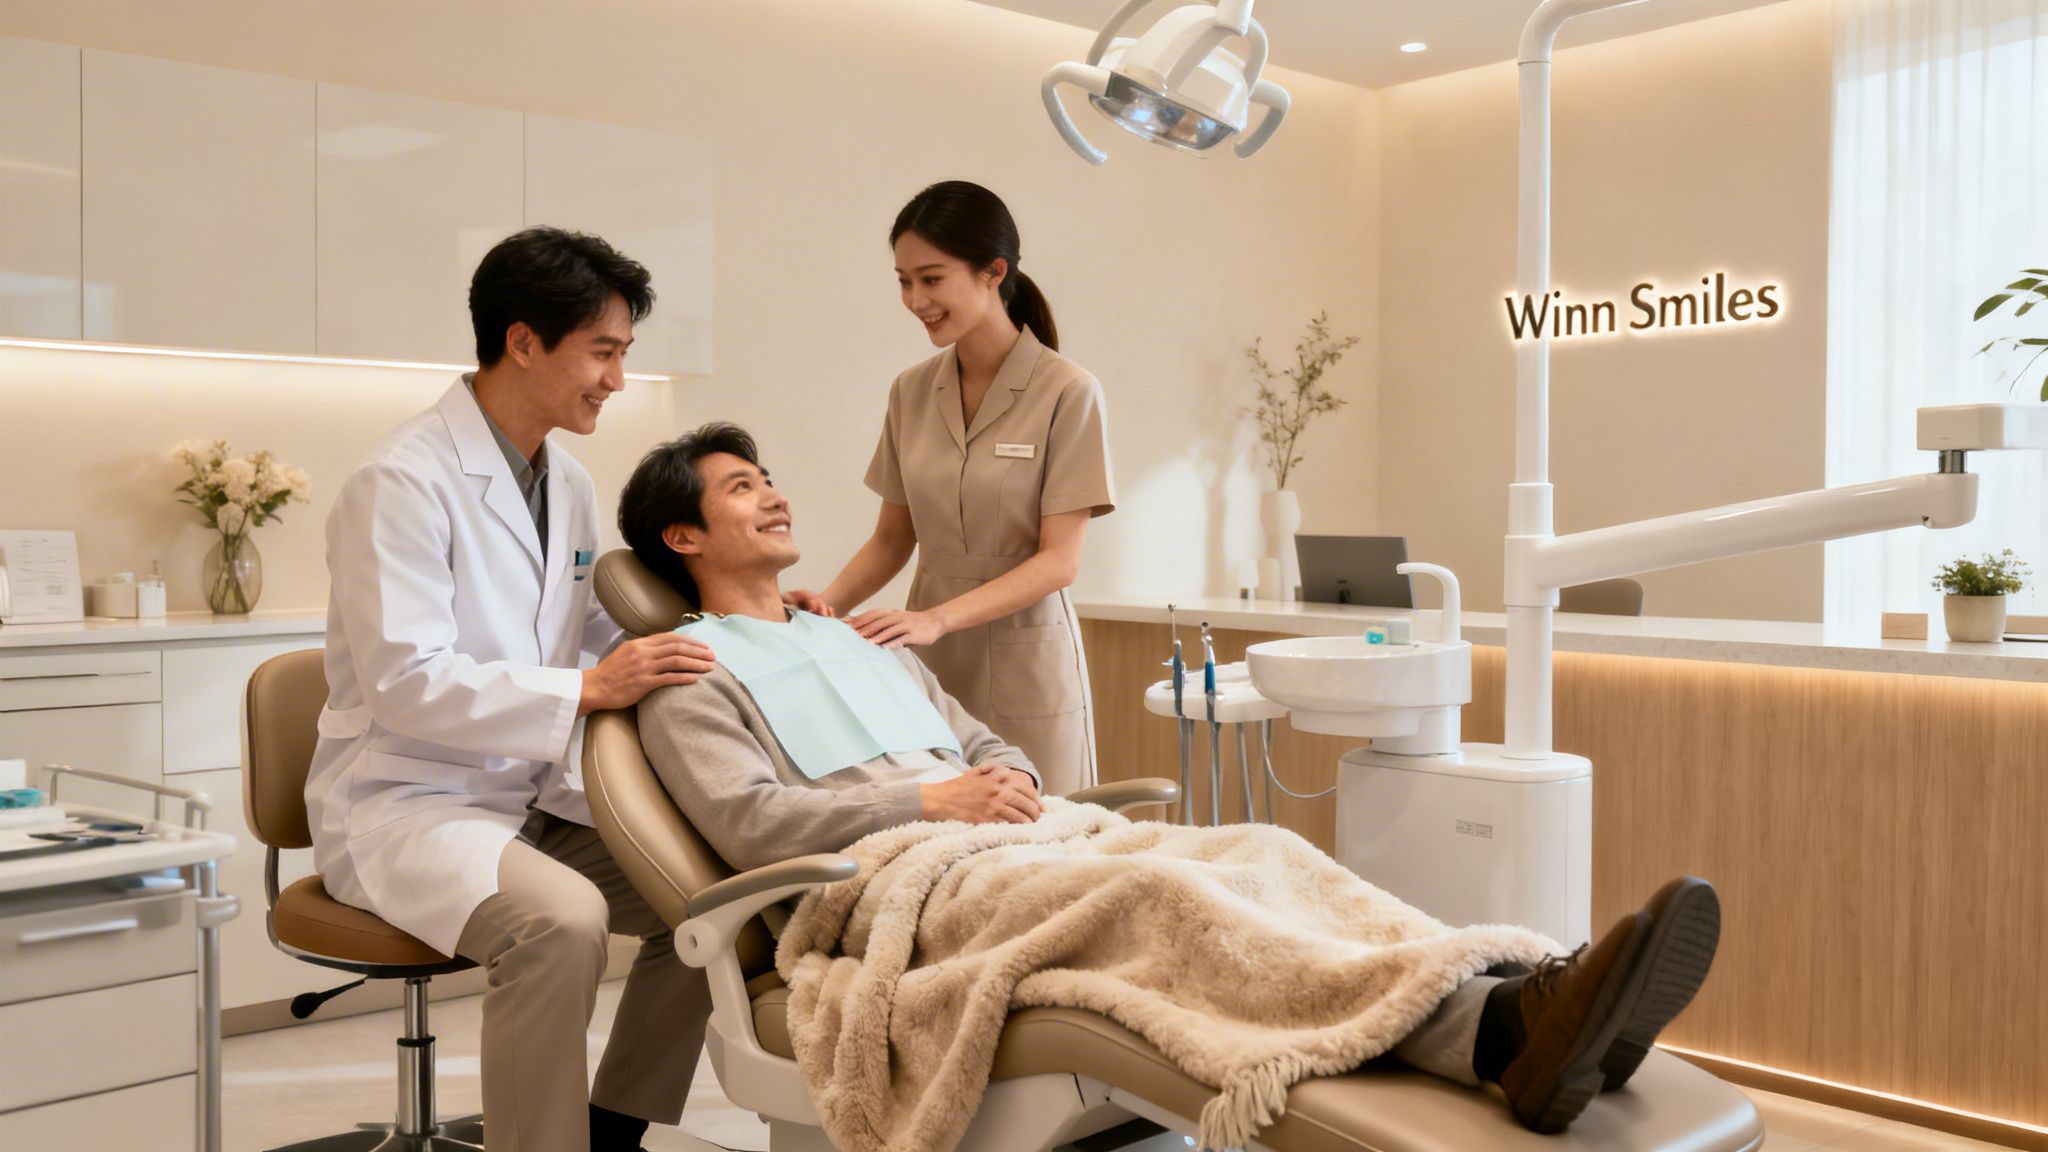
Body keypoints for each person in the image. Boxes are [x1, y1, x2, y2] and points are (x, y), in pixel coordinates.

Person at [619, 424, 1721, 1136]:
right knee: (1160, 894)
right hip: (895, 883)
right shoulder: (685, 674)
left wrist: (1004, 784)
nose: (773, 497)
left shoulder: (864, 639)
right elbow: (750, 823)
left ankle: (1511, 982)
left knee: (1258, 849)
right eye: (739, 489)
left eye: (769, 478)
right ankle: (1497, 1034)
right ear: (681, 535)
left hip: (1013, 836)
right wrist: (930, 801)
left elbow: (985, 742)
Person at [308, 228, 715, 1152]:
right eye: (602, 352)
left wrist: (736, 627)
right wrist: (588, 689)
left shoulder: (564, 480)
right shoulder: (399, 481)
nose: (616, 379)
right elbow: (408, 682)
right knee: (561, 925)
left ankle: (611, 1130)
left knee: (717, 898)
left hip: (528, 799)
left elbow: (587, 629)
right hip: (409, 806)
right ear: (524, 342)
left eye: (623, 354)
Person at [796, 181, 1113, 796]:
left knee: (1045, 828)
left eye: (932, 279)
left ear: (993, 272)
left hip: (1026, 660)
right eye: (904, 281)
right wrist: (824, 612)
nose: (916, 300)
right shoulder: (910, 391)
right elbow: (892, 540)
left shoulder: (1068, 391)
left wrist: (935, 620)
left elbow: (1060, 561)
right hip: (929, 662)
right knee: (949, 823)